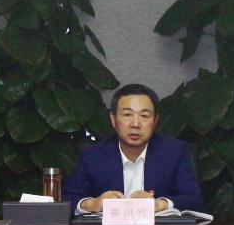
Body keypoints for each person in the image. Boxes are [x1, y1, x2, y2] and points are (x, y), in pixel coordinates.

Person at [67, 83, 204, 213]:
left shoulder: (174, 152)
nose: (135, 124)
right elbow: (68, 197)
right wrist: (92, 204)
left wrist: (160, 204)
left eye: (144, 116)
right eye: (127, 115)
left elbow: (194, 199)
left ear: (155, 121)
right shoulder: (93, 155)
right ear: (113, 119)